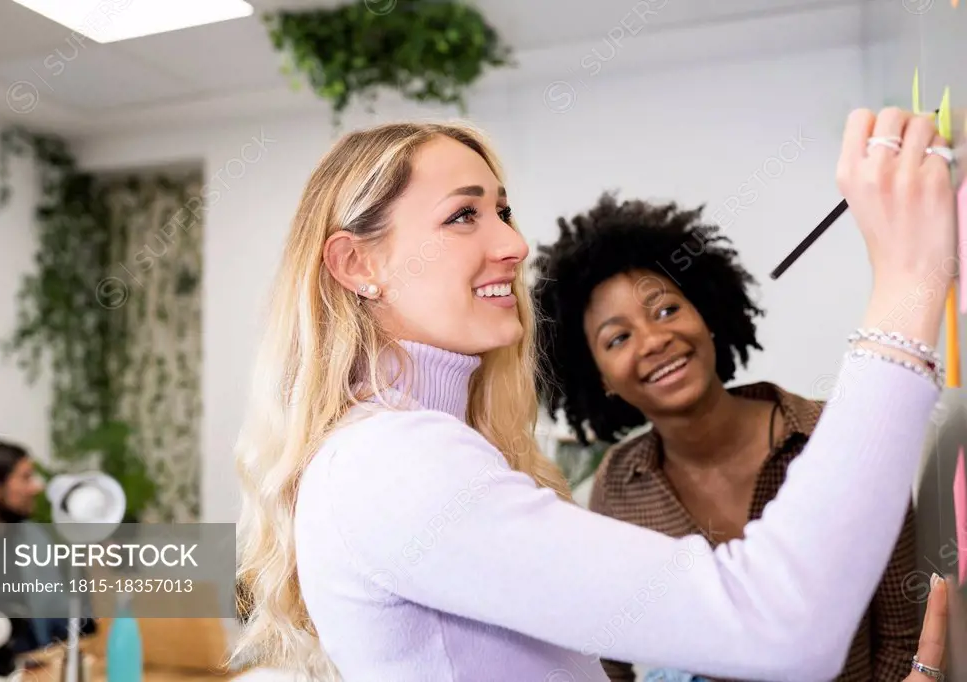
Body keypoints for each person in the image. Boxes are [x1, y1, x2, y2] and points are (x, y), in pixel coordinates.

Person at [232, 109, 954, 681]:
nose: (513, 246)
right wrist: (909, 280)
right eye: (463, 215)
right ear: (357, 263)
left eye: (502, 210)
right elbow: (777, 622)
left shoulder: (414, 449)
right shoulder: (392, 463)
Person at [531, 193, 922, 681]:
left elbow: (903, 632)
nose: (654, 340)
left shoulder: (836, 440)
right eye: (618, 338)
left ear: (708, 314)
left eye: (667, 309)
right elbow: (610, 657)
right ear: (600, 378)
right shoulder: (619, 486)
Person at [0, 440, 94, 660]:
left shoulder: (35, 537)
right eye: (26, 478)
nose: (36, 487)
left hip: (33, 665)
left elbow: (60, 613)